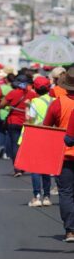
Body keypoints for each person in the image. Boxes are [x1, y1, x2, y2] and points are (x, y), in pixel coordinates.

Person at [44, 67, 74, 242]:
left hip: (65, 155)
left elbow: (46, 127)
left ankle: (70, 230)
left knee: (66, 193)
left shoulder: (58, 103)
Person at [25, 76, 54, 207]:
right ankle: (47, 196)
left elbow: (30, 120)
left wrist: (26, 109)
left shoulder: (34, 102)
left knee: (35, 167)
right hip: (51, 136)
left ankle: (37, 196)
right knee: (47, 167)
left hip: (37, 136)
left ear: (35, 88)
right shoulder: (54, 101)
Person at [0, 74, 37, 177]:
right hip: (27, 123)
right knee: (24, 146)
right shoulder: (32, 94)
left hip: (14, 122)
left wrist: (10, 105)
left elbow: (2, 104)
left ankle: (17, 168)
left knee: (15, 145)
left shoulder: (13, 93)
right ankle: (24, 166)